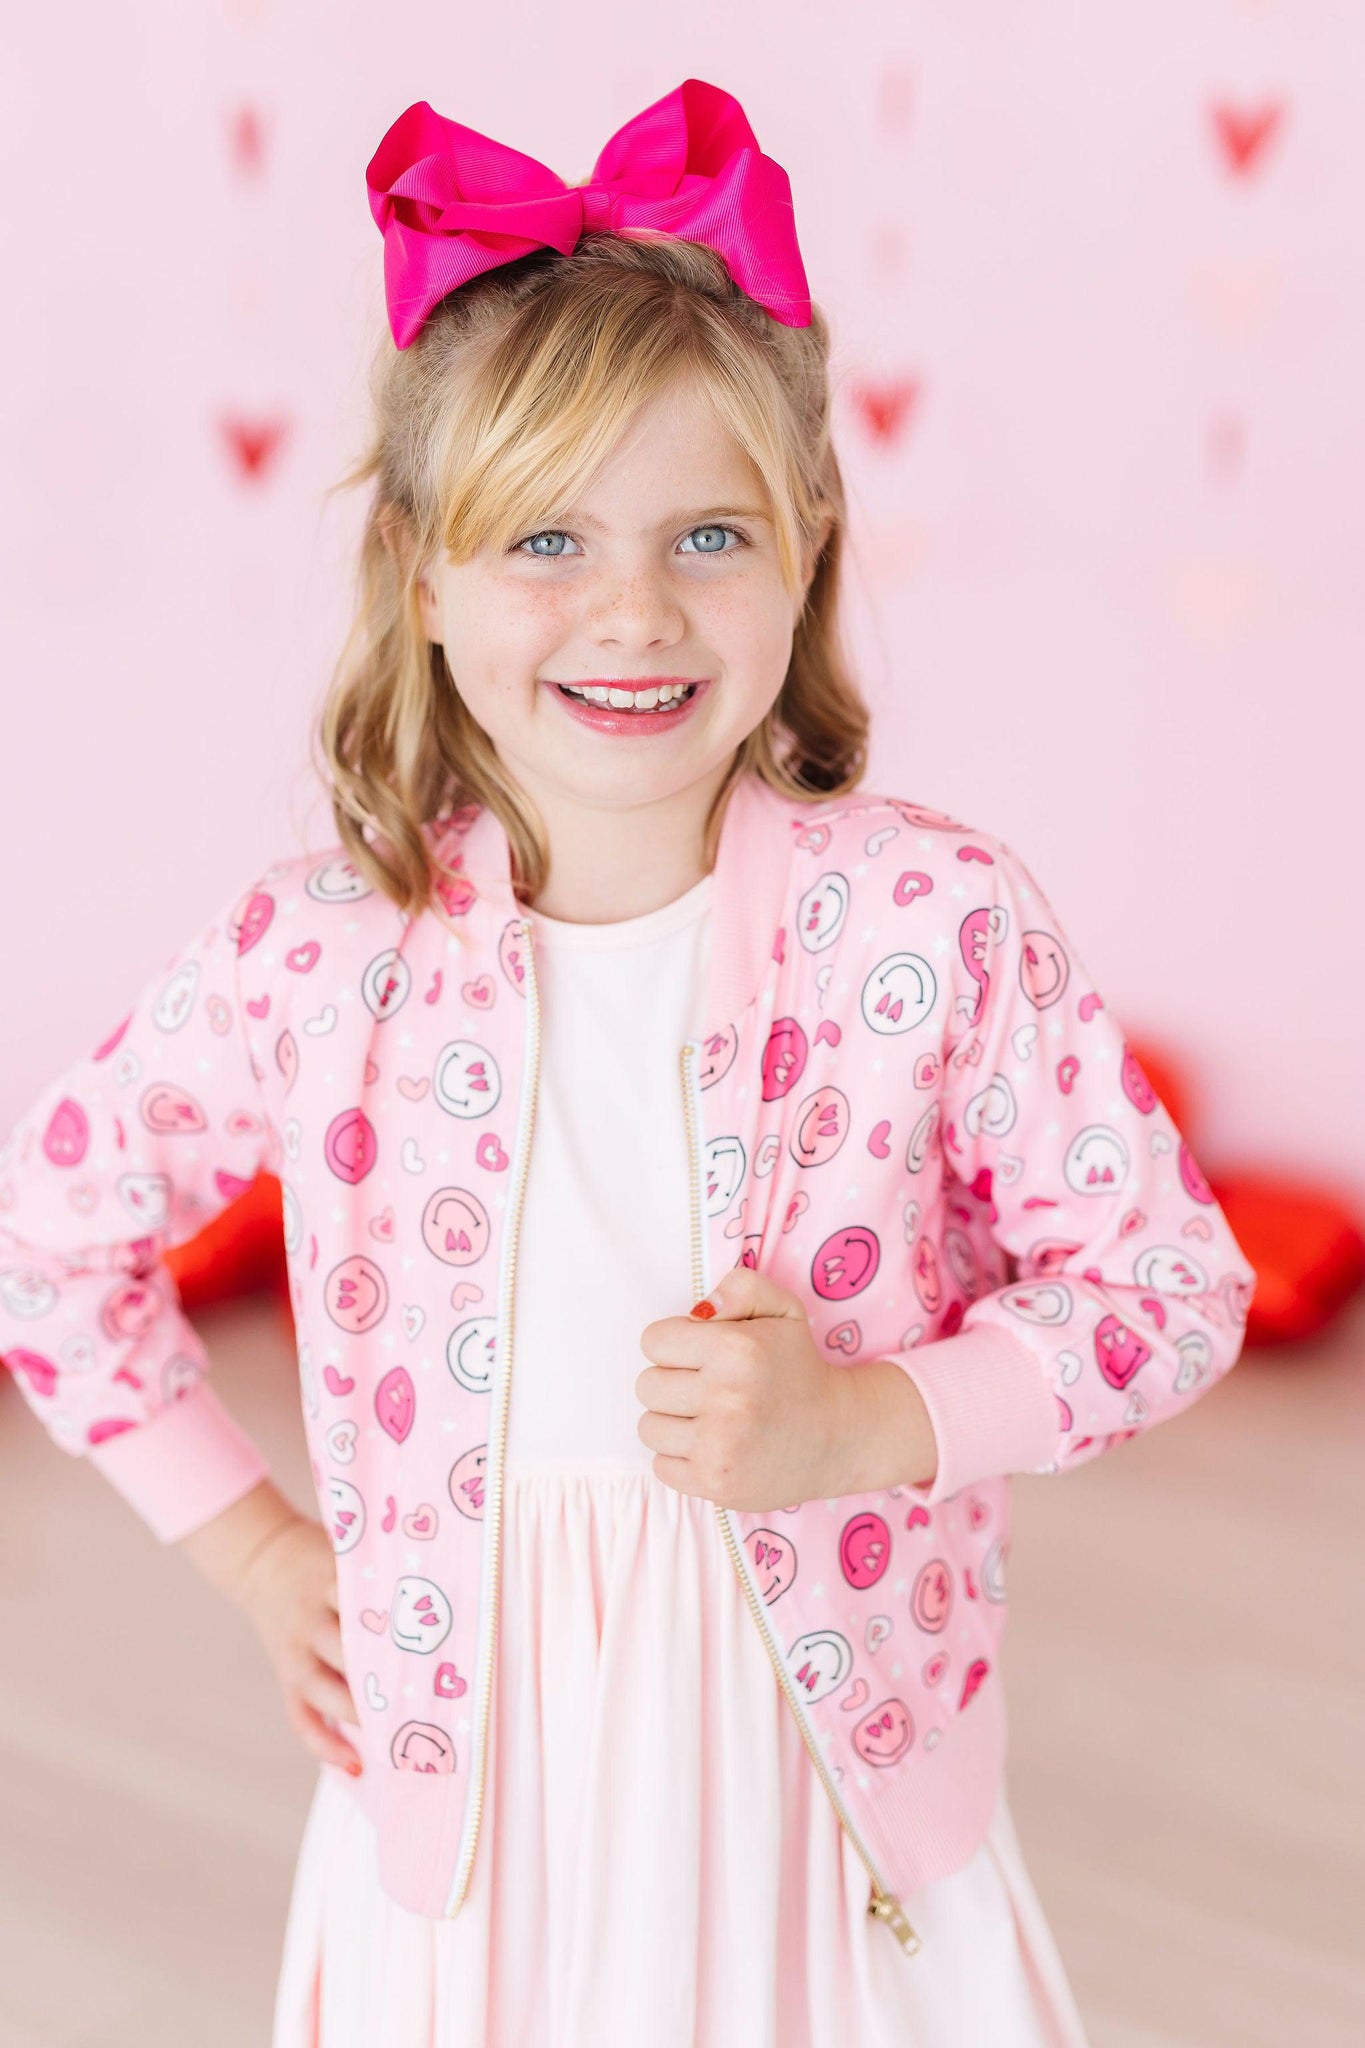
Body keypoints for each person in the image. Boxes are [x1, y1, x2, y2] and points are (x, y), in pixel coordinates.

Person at [0, 78, 1257, 2048]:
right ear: (420, 574)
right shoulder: (313, 960)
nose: (633, 611)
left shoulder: (927, 924)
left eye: (705, 534)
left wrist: (866, 1424)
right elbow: (49, 1239)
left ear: (806, 544)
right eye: (545, 539)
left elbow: (1168, 1289)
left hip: (819, 1806)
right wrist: (246, 1548)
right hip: (471, 1816)